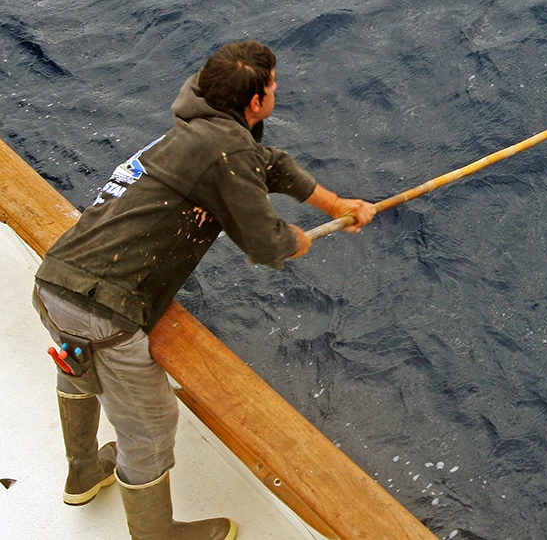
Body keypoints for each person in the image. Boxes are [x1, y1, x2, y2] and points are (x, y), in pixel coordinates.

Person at [32, 40, 376, 540]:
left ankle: (83, 470)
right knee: (148, 429)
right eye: (274, 87)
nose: (278, 92)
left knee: (77, 366)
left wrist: (335, 203)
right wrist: (297, 240)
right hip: (103, 312)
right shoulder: (225, 149)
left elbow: (266, 162)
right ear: (254, 103)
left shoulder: (198, 120)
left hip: (55, 283)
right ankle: (156, 534)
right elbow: (267, 244)